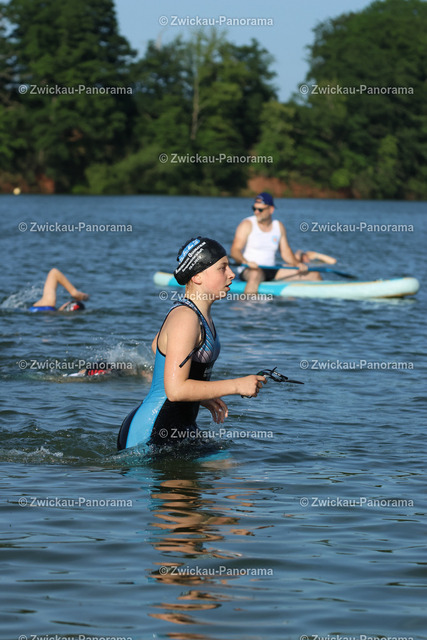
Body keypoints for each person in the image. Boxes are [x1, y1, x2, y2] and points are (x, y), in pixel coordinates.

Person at [117, 237, 266, 450]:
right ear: (197, 276)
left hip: (178, 427)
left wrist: (200, 396)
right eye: (222, 268)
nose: (232, 274)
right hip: (150, 433)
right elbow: (175, 391)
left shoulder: (198, 315)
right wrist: (236, 385)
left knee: (228, 466)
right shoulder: (186, 318)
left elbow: (157, 346)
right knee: (232, 467)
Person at [230, 192, 322, 294]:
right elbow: (235, 250)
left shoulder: (278, 226)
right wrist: (245, 262)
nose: (256, 212)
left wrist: (298, 264)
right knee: (255, 274)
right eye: (254, 208)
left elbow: (286, 252)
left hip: (272, 269)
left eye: (260, 210)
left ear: (271, 209)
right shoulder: (247, 224)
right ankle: (247, 303)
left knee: (314, 275)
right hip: (250, 269)